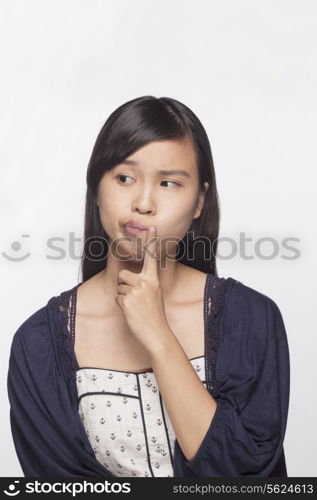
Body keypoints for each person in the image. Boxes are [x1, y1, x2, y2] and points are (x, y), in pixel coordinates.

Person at [7, 95, 290, 478]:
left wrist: (158, 336)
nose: (143, 202)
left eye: (169, 183)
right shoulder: (38, 343)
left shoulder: (251, 319)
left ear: (199, 202)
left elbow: (244, 476)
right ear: (96, 186)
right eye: (124, 178)